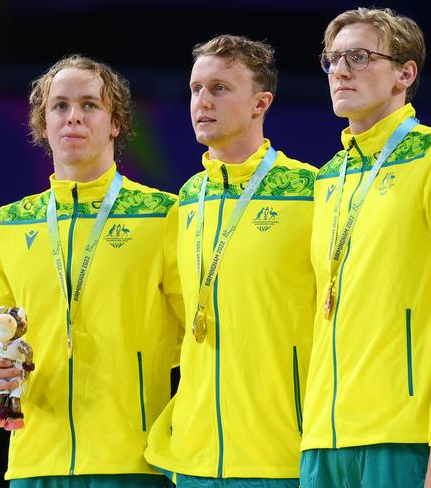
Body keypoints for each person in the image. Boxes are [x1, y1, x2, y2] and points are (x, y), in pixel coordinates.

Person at [299, 7, 431, 488]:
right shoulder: (329, 176)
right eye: (332, 59)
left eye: (359, 56)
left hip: (403, 440)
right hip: (322, 443)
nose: (341, 70)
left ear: (405, 73)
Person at [0, 54, 183, 487]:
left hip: (133, 460)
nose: (74, 118)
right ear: (43, 125)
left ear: (116, 122)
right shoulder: (10, 223)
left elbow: (194, 336)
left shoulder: (163, 215)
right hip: (35, 462)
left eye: (90, 105)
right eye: (60, 106)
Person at [144, 35, 317, 487]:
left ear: (261, 103)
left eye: (219, 88)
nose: (202, 101)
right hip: (195, 460)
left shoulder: (313, 191)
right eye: (195, 89)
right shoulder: (185, 201)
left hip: (284, 457)